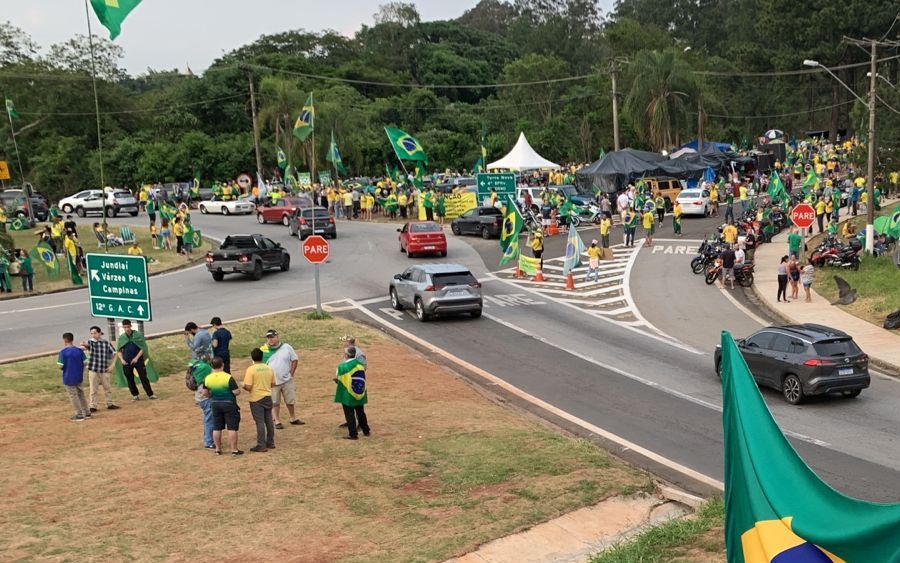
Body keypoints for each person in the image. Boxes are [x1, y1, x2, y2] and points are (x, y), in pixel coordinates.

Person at [261, 329, 303, 429]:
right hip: (272, 382)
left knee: (290, 400)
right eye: (268, 338)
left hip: (286, 380)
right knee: (275, 402)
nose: (270, 340)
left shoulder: (286, 347)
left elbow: (294, 360)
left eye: (272, 337)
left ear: (277, 337)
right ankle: (277, 421)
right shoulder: (264, 350)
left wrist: (291, 373)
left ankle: (293, 418)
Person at [202, 356, 243, 456]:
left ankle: (218, 449)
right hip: (229, 403)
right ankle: (234, 449)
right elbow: (236, 392)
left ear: (212, 366)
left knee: (217, 427)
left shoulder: (208, 378)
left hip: (215, 403)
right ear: (222, 365)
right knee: (232, 427)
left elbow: (205, 393)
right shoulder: (228, 377)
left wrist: (212, 395)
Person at [114, 319, 158, 400]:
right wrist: (122, 360)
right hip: (127, 361)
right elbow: (119, 351)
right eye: (125, 327)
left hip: (138, 360)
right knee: (129, 379)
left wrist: (136, 358)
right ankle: (135, 395)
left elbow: (143, 348)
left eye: (128, 327)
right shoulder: (122, 338)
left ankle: (150, 394)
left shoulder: (137, 335)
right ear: (123, 327)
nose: (127, 329)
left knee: (143, 377)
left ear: (131, 326)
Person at [334, 346, 370, 440]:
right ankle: (366, 430)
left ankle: (353, 434)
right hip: (359, 391)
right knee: (360, 412)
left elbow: (339, 378)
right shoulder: (360, 364)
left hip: (348, 394)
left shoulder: (342, 367)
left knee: (349, 414)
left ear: (346, 355)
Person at [81, 326, 120, 412]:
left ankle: (109, 403)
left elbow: (114, 353)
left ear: (99, 333)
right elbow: (88, 346)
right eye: (91, 333)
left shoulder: (105, 343)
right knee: (93, 389)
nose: (93, 335)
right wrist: (84, 344)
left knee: (107, 388)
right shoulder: (90, 342)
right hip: (93, 369)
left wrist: (112, 365)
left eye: (95, 333)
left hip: (104, 369)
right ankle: (92, 406)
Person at [243, 348, 275, 452]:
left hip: (256, 398)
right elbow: (273, 383)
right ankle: (270, 442)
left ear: (252, 357)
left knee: (259, 422)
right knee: (269, 420)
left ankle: (261, 444)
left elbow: (248, 387)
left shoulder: (251, 369)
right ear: (262, 357)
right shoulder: (268, 368)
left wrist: (243, 386)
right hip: (268, 396)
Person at [59, 332, 90, 421]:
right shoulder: (79, 351)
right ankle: (87, 412)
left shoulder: (63, 352)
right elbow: (85, 362)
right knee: (81, 394)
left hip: (68, 376)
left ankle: (79, 414)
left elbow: (60, 365)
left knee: (73, 395)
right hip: (79, 376)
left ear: (65, 340)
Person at [190, 359, 215, 450]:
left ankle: (208, 439)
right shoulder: (206, 369)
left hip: (199, 398)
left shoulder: (197, 366)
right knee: (209, 420)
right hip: (206, 399)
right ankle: (209, 442)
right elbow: (206, 392)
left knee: (207, 419)